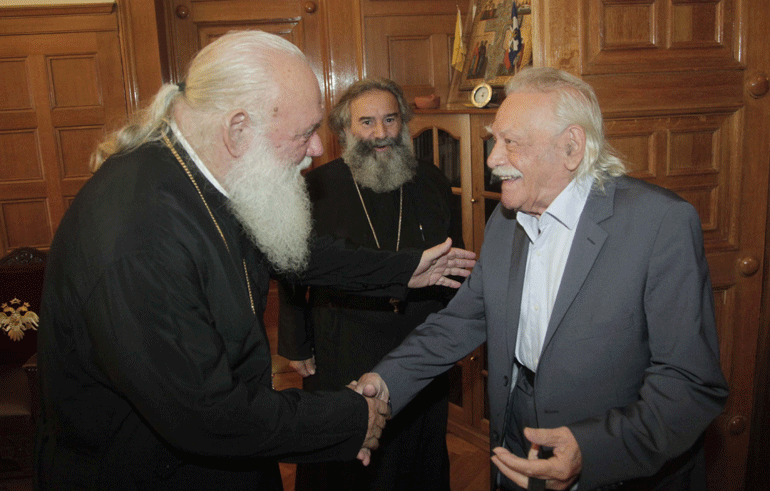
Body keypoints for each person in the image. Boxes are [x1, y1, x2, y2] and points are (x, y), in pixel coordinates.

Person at [34, 30, 475, 491]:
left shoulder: (207, 172)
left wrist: (402, 269)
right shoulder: (141, 239)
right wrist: (350, 417)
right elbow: (207, 415)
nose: (318, 149)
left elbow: (296, 252)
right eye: (305, 133)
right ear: (238, 129)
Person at [355, 67, 729, 490]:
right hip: (514, 431)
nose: (493, 159)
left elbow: (690, 385)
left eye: (510, 143)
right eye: (495, 140)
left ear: (571, 147)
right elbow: (462, 320)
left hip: (612, 461)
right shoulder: (506, 220)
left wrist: (593, 450)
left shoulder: (659, 224)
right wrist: (384, 383)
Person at [278, 78, 462, 491]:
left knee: (419, 452)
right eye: (367, 122)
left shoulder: (431, 181)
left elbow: (454, 263)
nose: (381, 133)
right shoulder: (316, 187)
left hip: (418, 338)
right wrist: (296, 341)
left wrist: (452, 335)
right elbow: (293, 267)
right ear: (344, 131)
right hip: (344, 339)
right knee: (347, 460)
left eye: (390, 120)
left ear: (403, 123)